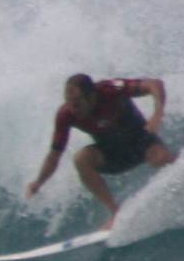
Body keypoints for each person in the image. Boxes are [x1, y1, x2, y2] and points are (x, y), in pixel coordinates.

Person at [23, 72, 173, 224]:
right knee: (81, 159)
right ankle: (115, 212)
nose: (73, 109)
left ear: (91, 96)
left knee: (162, 158)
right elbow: (54, 154)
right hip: (113, 155)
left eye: (77, 104)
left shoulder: (110, 90)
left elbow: (155, 84)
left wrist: (157, 113)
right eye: (68, 103)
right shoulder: (66, 115)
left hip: (142, 143)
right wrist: (38, 182)